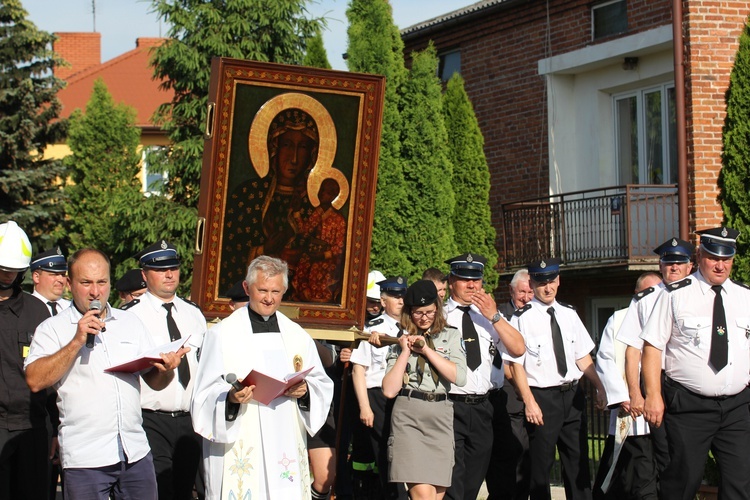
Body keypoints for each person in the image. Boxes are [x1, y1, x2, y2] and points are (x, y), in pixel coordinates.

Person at [24, 248, 188, 499]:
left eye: (102, 282)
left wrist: (166, 369)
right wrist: (76, 341)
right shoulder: (52, 328)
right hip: (86, 458)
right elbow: (35, 380)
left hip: (134, 452)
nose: (95, 291)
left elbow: (154, 381)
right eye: (86, 282)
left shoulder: (129, 323)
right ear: (69, 284)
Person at [191, 255, 334, 499]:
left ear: (284, 290)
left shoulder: (297, 335)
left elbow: (321, 382)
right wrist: (231, 398)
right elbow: (204, 392)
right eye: (263, 290)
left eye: (276, 291)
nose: (269, 298)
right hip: (242, 436)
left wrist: (306, 391)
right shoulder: (222, 334)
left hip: (285, 435)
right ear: (247, 288)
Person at [641, 227, 750, 500]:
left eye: (727, 258)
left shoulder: (745, 296)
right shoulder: (675, 294)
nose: (720, 265)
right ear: (700, 256)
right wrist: (653, 395)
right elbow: (653, 347)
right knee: (682, 482)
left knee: (740, 483)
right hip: (690, 406)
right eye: (714, 257)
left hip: (737, 406)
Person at [507, 257, 606, 500]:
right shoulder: (521, 318)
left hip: (572, 396)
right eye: (541, 283)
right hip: (542, 398)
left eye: (551, 281)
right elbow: (515, 366)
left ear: (558, 280)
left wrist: (600, 387)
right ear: (532, 283)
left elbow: (582, 357)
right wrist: (529, 402)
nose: (547, 288)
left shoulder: (569, 314)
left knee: (578, 465)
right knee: (540, 470)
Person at [125, 240, 206, 500]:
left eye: (174, 268)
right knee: (158, 489)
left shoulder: (193, 313)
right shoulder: (130, 315)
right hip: (150, 416)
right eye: (160, 270)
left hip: (188, 419)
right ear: (144, 275)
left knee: (183, 490)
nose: (169, 274)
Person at [443, 253, 525, 500]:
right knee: (454, 480)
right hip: (450, 403)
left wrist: (494, 316)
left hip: (484, 405)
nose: (471, 285)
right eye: (464, 279)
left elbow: (518, 348)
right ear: (451, 282)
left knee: (478, 477)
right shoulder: (439, 316)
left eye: (476, 280)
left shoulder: (489, 317)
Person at [616, 237, 695, 482]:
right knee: (663, 452)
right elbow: (632, 349)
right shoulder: (646, 299)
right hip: (656, 382)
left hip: (689, 383)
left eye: (679, 262)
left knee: (690, 453)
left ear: (690, 266)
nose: (674, 267)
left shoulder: (700, 295)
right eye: (668, 262)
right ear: (660, 265)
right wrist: (635, 392)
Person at [382, 280, 467, 500]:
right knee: (423, 497)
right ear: (409, 313)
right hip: (409, 417)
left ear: (437, 309)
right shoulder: (399, 340)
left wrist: (427, 351)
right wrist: (404, 352)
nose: (425, 318)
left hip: (440, 416)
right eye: (418, 313)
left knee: (436, 496)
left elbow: (459, 377)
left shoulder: (451, 336)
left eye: (429, 312)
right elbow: (390, 390)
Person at [221, 109, 319, 294]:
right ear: (274, 147)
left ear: (313, 153)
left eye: (303, 147)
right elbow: (227, 255)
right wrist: (264, 250)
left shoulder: (314, 205)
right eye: (287, 145)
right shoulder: (247, 196)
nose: (294, 158)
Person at [593, 271, 662, 500]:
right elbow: (605, 359)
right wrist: (623, 396)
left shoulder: (665, 317)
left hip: (661, 413)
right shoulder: (620, 319)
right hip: (630, 412)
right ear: (636, 294)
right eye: (647, 292)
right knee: (623, 473)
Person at [0, 221, 53, 500]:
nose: (8, 275)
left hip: (33, 428)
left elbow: (53, 373)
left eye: (14, 270)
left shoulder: (37, 311)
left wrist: (55, 429)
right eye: (3, 269)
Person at [350, 276, 408, 499]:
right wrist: (365, 407)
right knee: (386, 453)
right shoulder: (373, 328)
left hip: (406, 396)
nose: (401, 301)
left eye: (403, 295)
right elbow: (358, 370)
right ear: (383, 301)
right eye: (395, 296)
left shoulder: (412, 325)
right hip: (379, 397)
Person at [486, 268, 534, 500]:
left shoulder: (541, 315)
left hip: (542, 399)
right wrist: (522, 390)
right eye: (522, 292)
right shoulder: (501, 316)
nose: (527, 297)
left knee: (532, 459)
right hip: (512, 398)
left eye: (530, 291)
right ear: (511, 291)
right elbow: (504, 360)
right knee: (513, 454)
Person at [291, 177, 347, 303]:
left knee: (321, 282)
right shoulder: (316, 214)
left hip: (326, 261)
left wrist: (323, 255)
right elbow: (304, 231)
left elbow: (339, 246)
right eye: (321, 190)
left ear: (333, 195)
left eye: (326, 191)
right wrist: (296, 212)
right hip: (311, 255)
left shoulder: (339, 219)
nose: (322, 194)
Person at [30, 246, 71, 316]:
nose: (61, 280)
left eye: (63, 274)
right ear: (36, 277)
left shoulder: (72, 308)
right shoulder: (25, 309)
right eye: (54, 274)